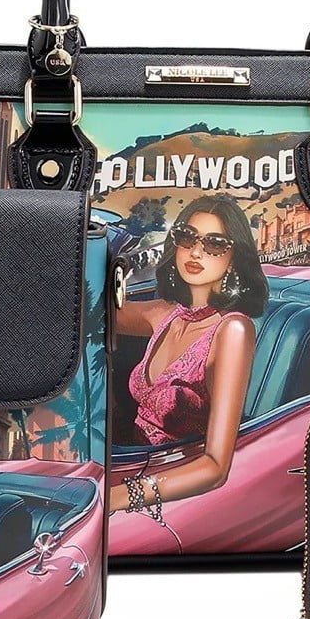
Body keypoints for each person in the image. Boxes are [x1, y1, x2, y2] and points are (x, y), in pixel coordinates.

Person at [109, 194, 266, 515]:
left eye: (215, 244)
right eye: (187, 237)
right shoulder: (164, 314)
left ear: (234, 257)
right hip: (125, 466)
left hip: (174, 495)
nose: (196, 251)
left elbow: (215, 467)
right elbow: (89, 309)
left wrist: (119, 497)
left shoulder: (232, 330)